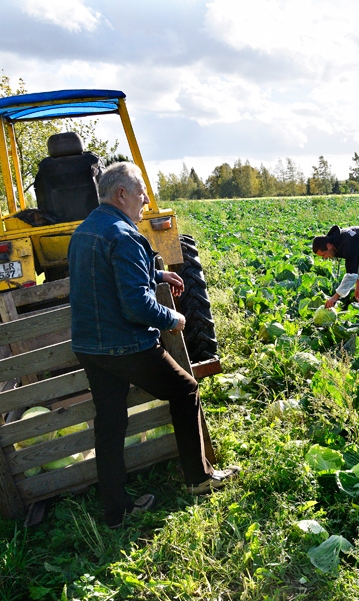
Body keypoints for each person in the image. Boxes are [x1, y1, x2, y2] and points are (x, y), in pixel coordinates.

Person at [68, 162, 239, 529]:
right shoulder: (125, 235)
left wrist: (157, 273)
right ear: (121, 195)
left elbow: (109, 274)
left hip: (89, 346)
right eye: (141, 193)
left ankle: (116, 511)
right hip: (124, 345)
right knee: (186, 389)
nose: (146, 200)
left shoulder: (86, 231)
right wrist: (171, 318)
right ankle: (199, 478)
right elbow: (135, 305)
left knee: (110, 422)